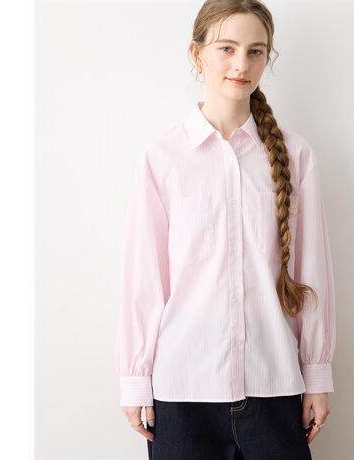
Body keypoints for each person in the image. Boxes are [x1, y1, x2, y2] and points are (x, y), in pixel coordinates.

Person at [115, 1, 336, 458]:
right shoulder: (163, 158)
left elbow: (312, 273)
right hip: (181, 395)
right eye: (226, 48)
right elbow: (145, 280)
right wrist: (135, 379)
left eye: (256, 51)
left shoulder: (296, 156)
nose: (241, 65)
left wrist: (317, 374)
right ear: (196, 54)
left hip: (274, 388)